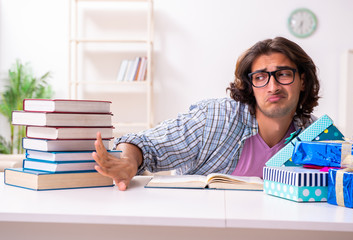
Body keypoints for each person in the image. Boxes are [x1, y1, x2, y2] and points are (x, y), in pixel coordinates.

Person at [92, 36, 320, 191]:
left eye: (284, 74)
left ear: (302, 80)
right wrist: (128, 163)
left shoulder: (315, 134)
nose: (273, 87)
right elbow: (144, 144)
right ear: (251, 86)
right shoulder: (216, 118)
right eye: (260, 77)